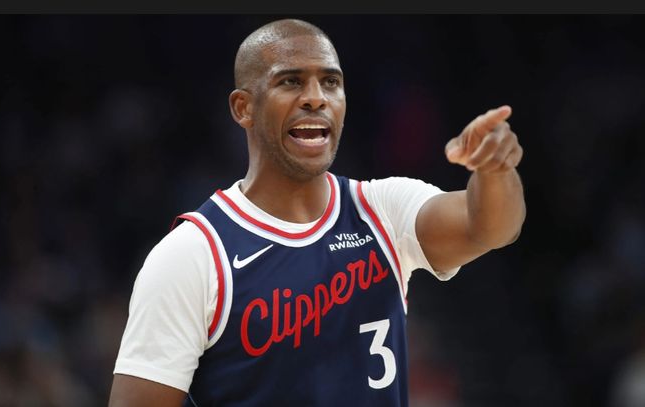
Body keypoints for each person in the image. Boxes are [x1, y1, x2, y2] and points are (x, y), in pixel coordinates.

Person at [108, 18, 526, 407]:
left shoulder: (382, 208)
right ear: (243, 108)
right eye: (290, 81)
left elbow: (490, 228)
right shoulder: (191, 255)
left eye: (330, 82)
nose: (315, 97)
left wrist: (496, 170)